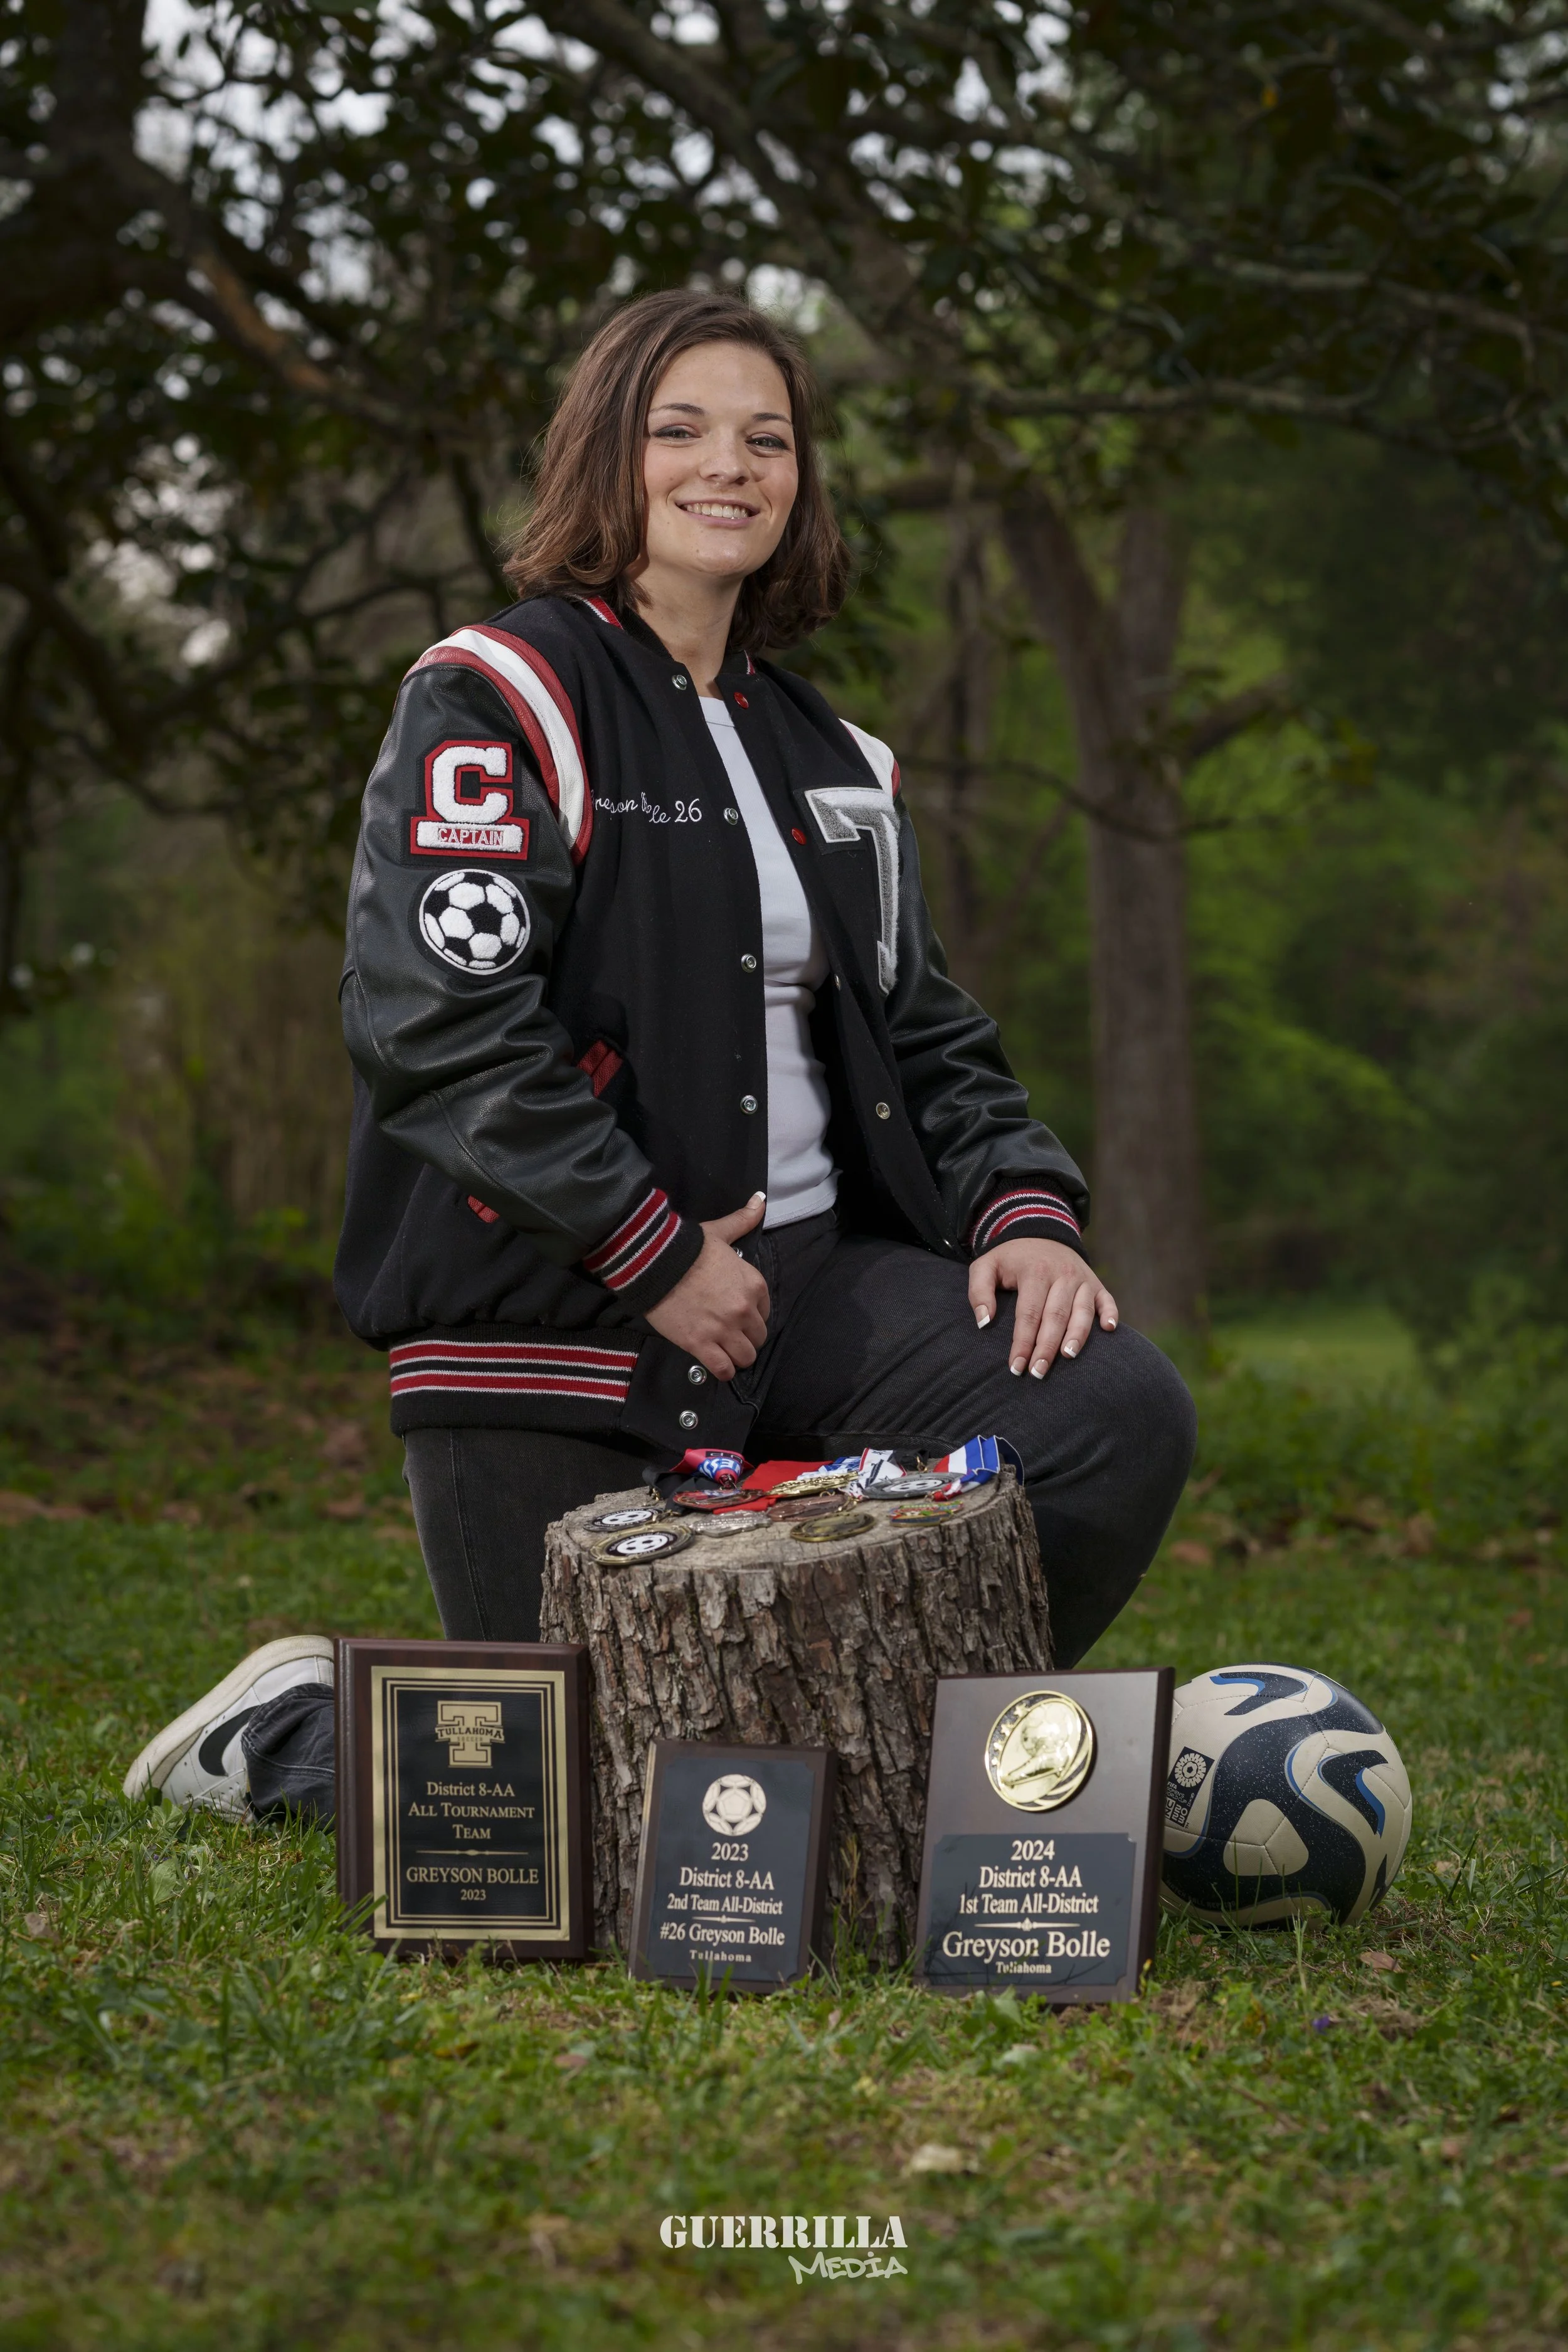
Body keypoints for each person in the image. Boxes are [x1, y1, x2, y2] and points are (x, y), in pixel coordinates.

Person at [125, 289, 1196, 1826]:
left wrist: (1021, 1215)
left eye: (768, 438)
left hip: (817, 1290)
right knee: (579, 1816)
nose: (729, 465)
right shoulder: (498, 695)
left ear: (801, 483)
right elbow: (435, 1023)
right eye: (678, 428)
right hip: (551, 1306)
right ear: (603, 458)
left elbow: (929, 1031)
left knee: (1107, 1414)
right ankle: (297, 1728)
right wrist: (650, 1251)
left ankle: (944, 1797)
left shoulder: (836, 758)